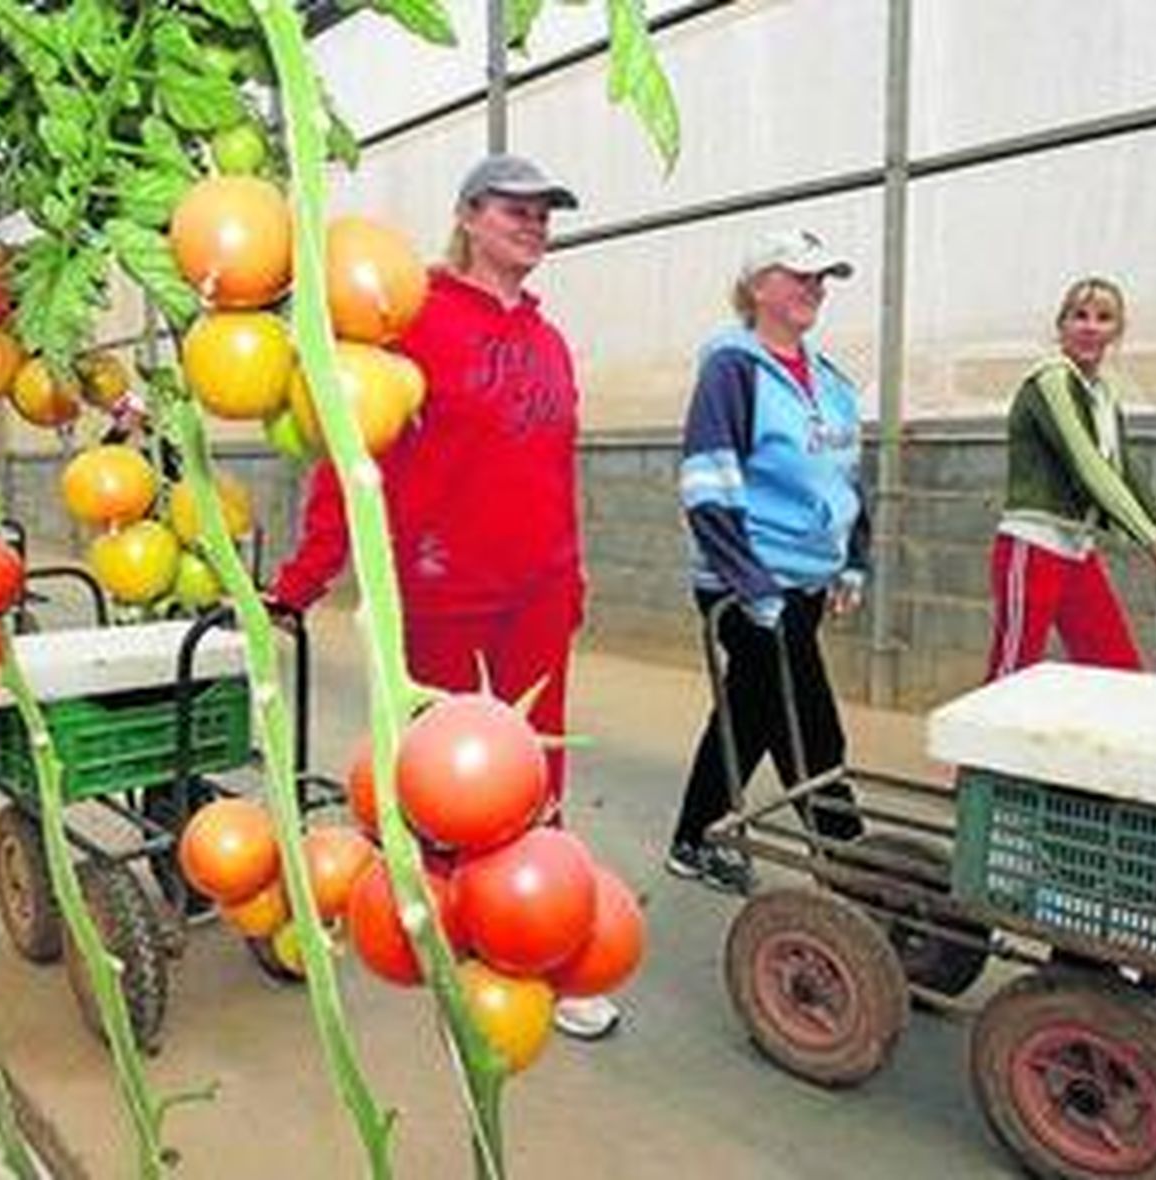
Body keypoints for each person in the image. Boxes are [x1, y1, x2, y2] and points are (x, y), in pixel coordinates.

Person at [268, 154, 620, 1040]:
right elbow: (353, 457)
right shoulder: (412, 320)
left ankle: (539, 945)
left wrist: (571, 576)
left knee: (537, 772)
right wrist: (301, 581)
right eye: (516, 209)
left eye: (545, 213)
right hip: (441, 591)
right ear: (468, 215)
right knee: (451, 785)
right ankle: (452, 941)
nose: (534, 224)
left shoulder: (549, 339)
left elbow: (555, 469)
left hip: (537, 592)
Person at [666, 229, 870, 896]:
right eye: (800, 275)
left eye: (822, 278)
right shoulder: (733, 368)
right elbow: (707, 481)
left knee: (751, 708)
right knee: (805, 715)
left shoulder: (832, 380)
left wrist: (852, 560)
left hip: (805, 580)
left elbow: (846, 478)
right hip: (743, 579)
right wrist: (752, 584)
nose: (815, 288)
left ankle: (695, 838)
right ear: (759, 287)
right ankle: (850, 859)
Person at [986, 277, 1156, 679]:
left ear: (1117, 331)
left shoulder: (1103, 393)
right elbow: (1089, 466)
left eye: (1104, 318)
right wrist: (1151, 539)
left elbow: (1126, 468)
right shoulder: (1051, 380)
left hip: (1076, 548)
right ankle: (975, 743)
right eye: (1079, 316)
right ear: (1061, 325)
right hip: (1033, 544)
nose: (1090, 326)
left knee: (1116, 668)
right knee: (1010, 674)